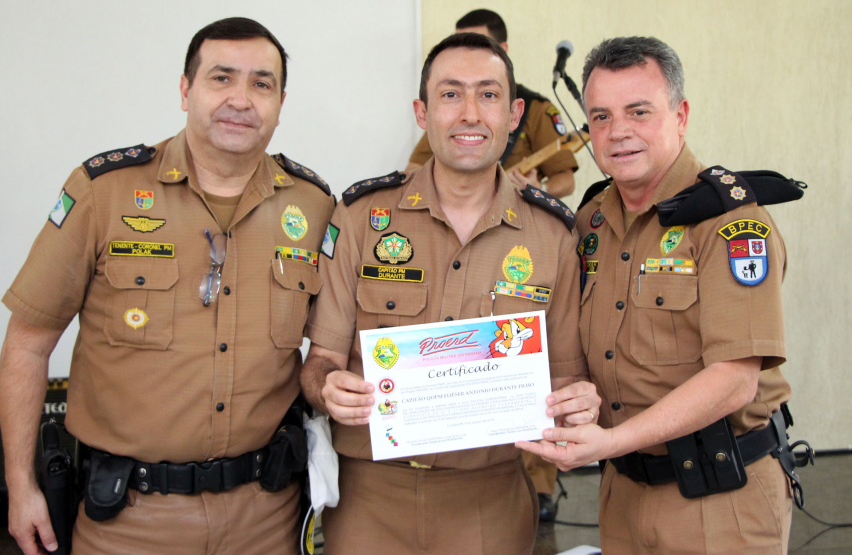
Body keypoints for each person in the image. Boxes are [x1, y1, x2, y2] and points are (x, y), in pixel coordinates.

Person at [0, 17, 334, 555]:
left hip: (267, 518)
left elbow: (331, 350)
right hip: (131, 520)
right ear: (185, 89)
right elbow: (27, 343)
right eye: (221, 78)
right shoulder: (104, 193)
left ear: (281, 101)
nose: (241, 100)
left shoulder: (314, 207)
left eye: (261, 84)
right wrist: (21, 484)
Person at [301, 32, 597, 554]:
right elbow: (319, 360)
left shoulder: (553, 235)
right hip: (369, 497)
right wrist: (328, 388)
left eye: (487, 95)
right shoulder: (362, 217)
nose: (469, 114)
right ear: (422, 111)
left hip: (489, 500)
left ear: (513, 113)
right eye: (450, 94)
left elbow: (568, 376)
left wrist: (577, 403)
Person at [517, 36, 800, 553]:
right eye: (600, 117)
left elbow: (735, 379)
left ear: (681, 114)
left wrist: (611, 441)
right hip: (622, 492)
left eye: (639, 111)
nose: (617, 132)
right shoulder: (591, 221)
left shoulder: (731, 224)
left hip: (721, 497)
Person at [406, 8, 578, 202]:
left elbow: (566, 179)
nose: (467, 51)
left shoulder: (536, 108)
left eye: (478, 43)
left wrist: (537, 189)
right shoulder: (447, 111)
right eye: (460, 43)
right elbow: (413, 169)